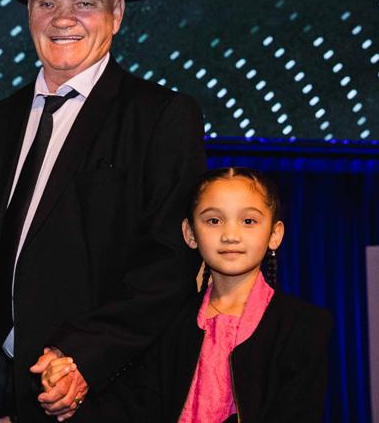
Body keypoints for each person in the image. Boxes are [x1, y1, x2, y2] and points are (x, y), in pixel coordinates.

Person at [0, 0, 207, 422]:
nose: (63, 20)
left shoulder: (162, 116)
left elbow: (168, 266)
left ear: (117, 14)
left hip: (104, 392)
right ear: (29, 14)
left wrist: (83, 357)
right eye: (45, 3)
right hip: (1, 391)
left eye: (85, 3)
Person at [138, 167, 332, 422]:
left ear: (275, 234)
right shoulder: (168, 321)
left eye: (248, 221)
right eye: (214, 221)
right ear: (190, 233)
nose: (230, 236)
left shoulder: (305, 326)